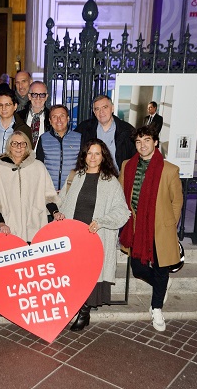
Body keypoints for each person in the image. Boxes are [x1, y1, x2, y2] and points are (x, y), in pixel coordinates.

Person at [58, 139, 130, 330]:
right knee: (73, 274)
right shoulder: (76, 176)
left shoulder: (111, 181)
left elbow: (122, 211)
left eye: (97, 153)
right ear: (84, 155)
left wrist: (101, 222)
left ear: (103, 156)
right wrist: (59, 213)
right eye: (90, 153)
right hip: (74, 236)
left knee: (89, 275)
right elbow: (62, 201)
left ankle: (84, 311)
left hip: (95, 237)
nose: (93, 157)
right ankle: (74, 307)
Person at [119, 125, 183, 332]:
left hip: (160, 229)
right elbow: (122, 195)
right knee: (138, 268)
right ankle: (161, 284)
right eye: (138, 141)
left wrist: (168, 225)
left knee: (160, 268)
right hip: (137, 228)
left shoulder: (169, 170)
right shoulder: (127, 166)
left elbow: (177, 202)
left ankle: (156, 308)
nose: (142, 145)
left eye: (147, 140)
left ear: (155, 142)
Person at [0, 131, 61, 243]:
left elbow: (49, 195)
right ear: (9, 146)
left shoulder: (38, 167)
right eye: (14, 143)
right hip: (8, 228)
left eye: (22, 143)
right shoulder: (0, 169)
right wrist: (0, 223)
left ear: (27, 146)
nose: (19, 147)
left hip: (34, 225)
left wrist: (55, 212)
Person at [75, 95, 136, 171]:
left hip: (118, 179)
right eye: (97, 109)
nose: (101, 112)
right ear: (94, 112)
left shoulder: (127, 130)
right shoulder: (84, 128)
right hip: (91, 177)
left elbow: (135, 158)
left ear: (112, 108)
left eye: (105, 107)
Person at [36, 105, 82, 192]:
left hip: (72, 191)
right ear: (50, 121)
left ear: (68, 118)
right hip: (49, 191)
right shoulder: (43, 138)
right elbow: (39, 166)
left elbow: (82, 167)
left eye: (62, 116)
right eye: (54, 117)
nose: (59, 120)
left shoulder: (79, 138)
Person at [16, 81, 51, 149]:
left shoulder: (52, 118)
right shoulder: (18, 116)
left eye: (42, 95)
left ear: (46, 97)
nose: (38, 98)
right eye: (34, 94)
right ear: (29, 96)